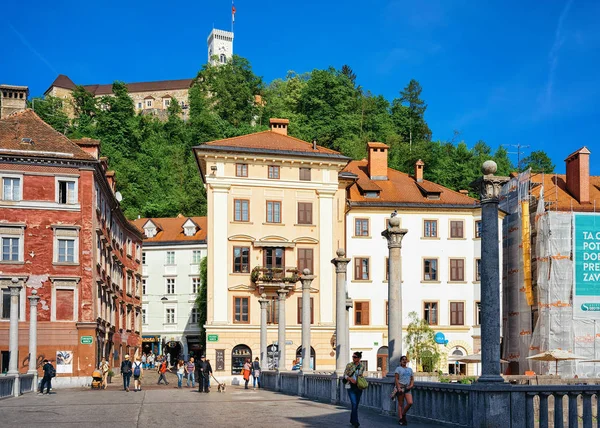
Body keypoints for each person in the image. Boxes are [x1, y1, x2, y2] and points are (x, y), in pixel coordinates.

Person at [344, 351, 365, 428]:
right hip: (350, 386)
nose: (353, 358)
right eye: (353, 357)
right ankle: (356, 421)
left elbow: (361, 375)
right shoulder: (349, 365)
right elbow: (345, 375)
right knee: (354, 404)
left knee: (356, 405)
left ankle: (352, 419)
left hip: (358, 387)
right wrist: (350, 379)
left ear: (359, 358)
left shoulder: (362, 366)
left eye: (355, 357)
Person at [394, 355, 414, 426]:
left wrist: (411, 385)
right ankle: (401, 418)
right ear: (400, 361)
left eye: (405, 360)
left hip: (407, 388)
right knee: (400, 403)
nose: (404, 361)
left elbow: (412, 378)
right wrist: (398, 387)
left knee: (410, 402)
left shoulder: (410, 370)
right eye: (403, 360)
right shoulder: (398, 369)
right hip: (401, 387)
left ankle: (403, 414)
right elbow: (396, 379)